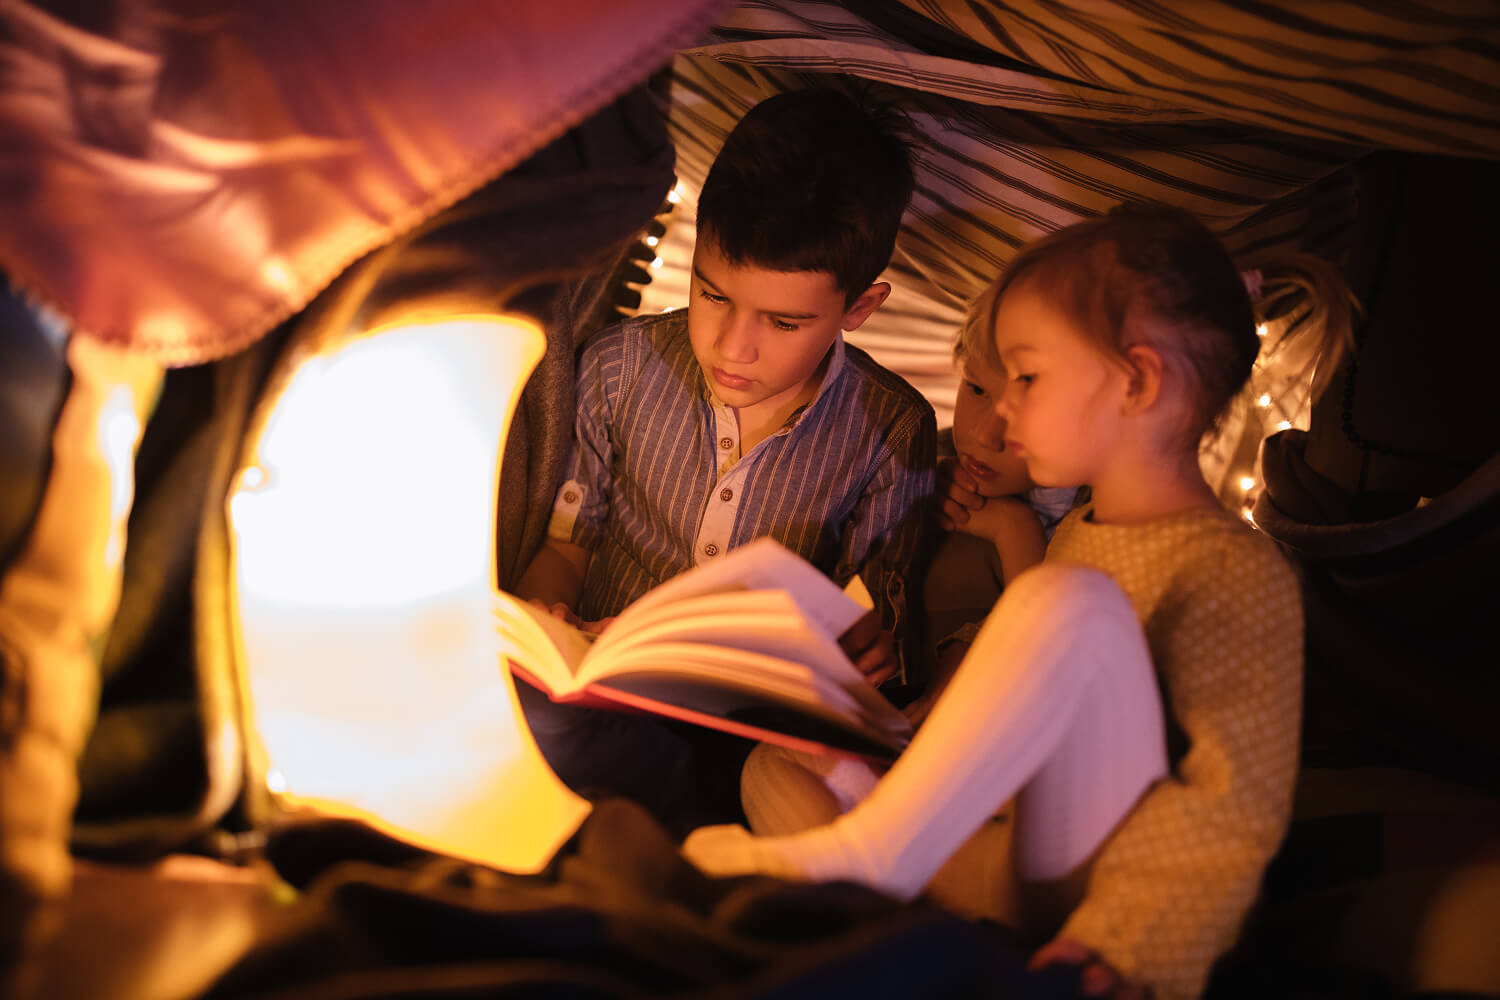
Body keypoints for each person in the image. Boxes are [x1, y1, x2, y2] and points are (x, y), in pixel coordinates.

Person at [684, 201, 1355, 1000]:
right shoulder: (1081, 531)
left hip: (1096, 888)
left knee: (1063, 601)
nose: (1002, 411)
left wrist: (1122, 952)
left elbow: (1228, 806)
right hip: (1007, 841)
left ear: (1137, 381)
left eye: (1027, 377)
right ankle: (880, 889)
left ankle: (872, 865)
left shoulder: (1232, 568)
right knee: (780, 762)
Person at [512, 87, 937, 826]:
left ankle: (680, 830)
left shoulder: (891, 428)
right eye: (713, 296)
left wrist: (867, 651)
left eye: (783, 321)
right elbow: (564, 547)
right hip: (613, 707)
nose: (734, 347)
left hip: (755, 735)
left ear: (859, 310)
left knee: (818, 785)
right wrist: (546, 618)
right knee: (531, 714)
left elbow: (873, 627)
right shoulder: (621, 367)